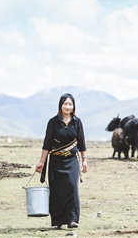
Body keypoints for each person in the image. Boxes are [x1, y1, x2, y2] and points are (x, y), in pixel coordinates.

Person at [35, 93, 88, 229]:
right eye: (65, 104)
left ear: (73, 106)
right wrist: (41, 161)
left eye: (70, 104)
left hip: (72, 162)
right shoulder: (53, 122)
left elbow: (81, 142)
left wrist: (84, 160)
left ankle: (72, 219)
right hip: (56, 162)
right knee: (56, 190)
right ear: (60, 105)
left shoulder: (77, 122)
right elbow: (47, 144)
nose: (68, 106)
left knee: (72, 188)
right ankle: (57, 222)